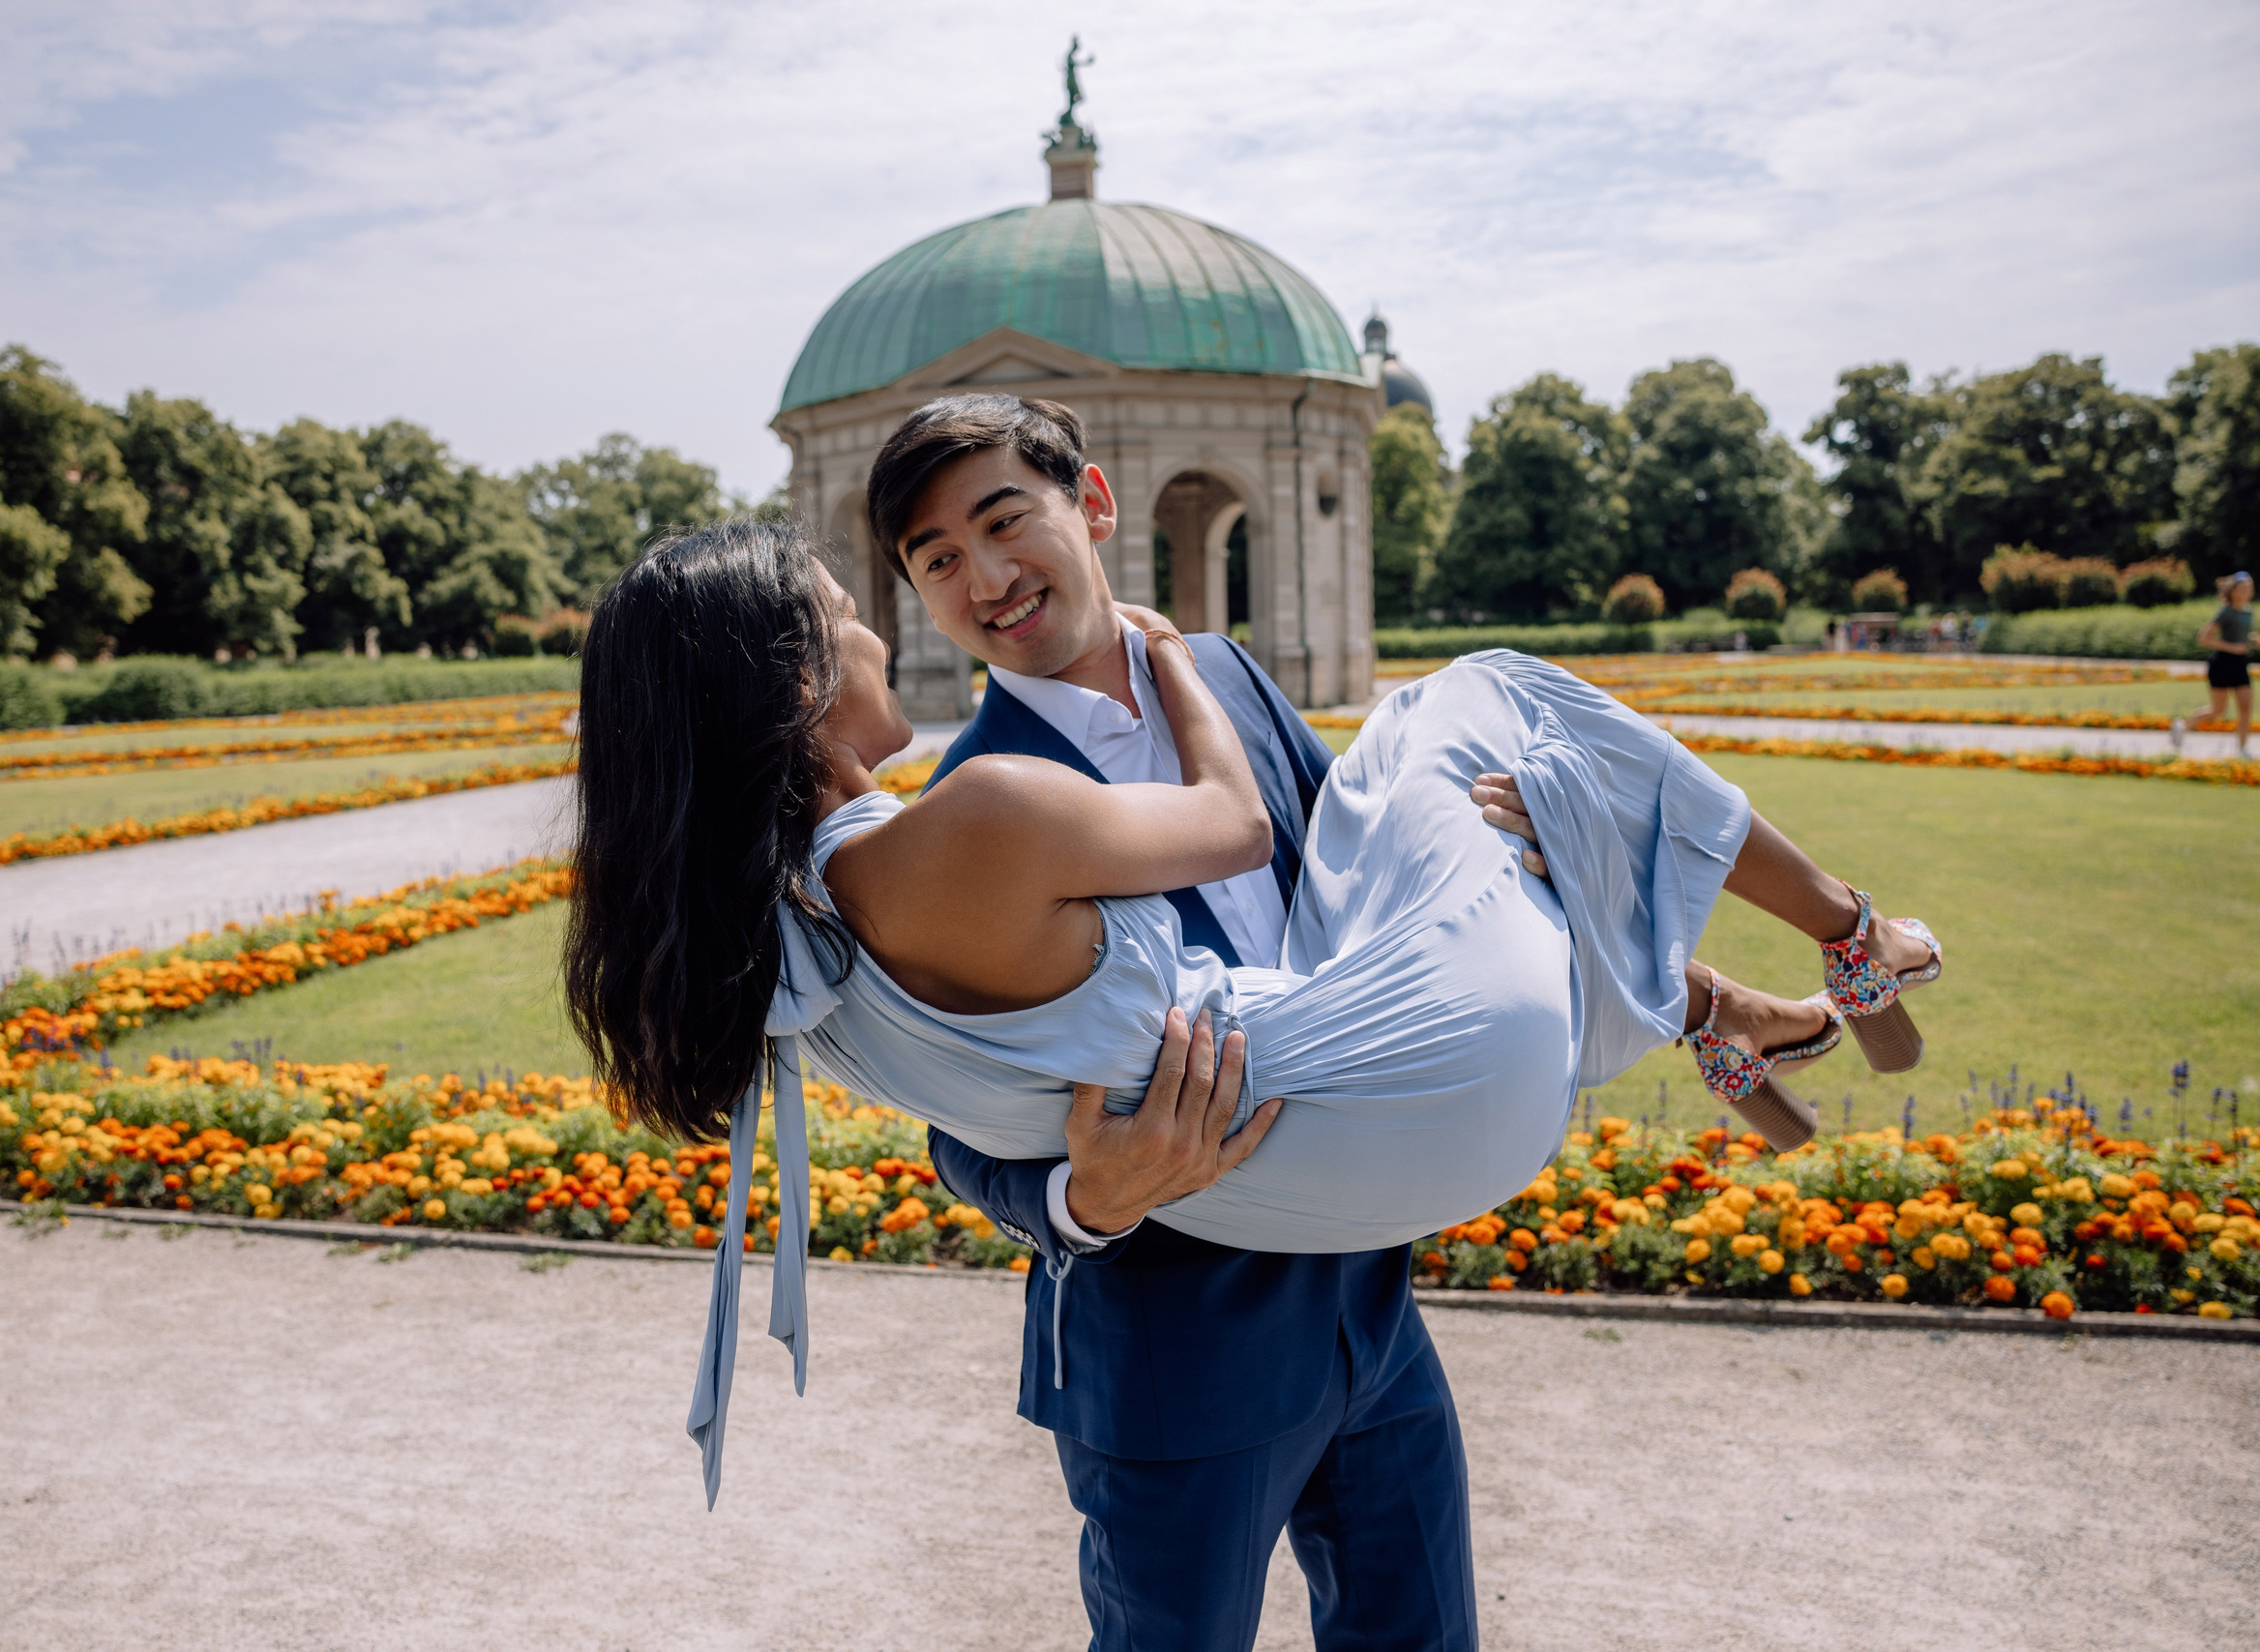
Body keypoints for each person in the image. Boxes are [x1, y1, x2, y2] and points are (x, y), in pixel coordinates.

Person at [560, 397, 1946, 1652]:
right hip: (1181, 1341)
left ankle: (1727, 999)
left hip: (1368, 1305)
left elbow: (1345, 869)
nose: (977, 582)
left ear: (1091, 506)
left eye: (1005, 524)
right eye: (928, 564)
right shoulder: (977, 798)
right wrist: (1080, 1201)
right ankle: (1797, 967)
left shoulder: (1222, 678)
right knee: (1493, 700)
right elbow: (972, 1123)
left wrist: (1493, 838)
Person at [2183, 572, 2254, 756]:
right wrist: (2232, 648)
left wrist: (2252, 639)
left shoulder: (2248, 611)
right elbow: (2204, 638)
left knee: (2246, 706)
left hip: (2240, 663)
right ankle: (2184, 726)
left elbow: (2239, 636)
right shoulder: (2226, 612)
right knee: (2218, 711)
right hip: (2222, 663)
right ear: (2232, 591)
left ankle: (2242, 748)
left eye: (2250, 587)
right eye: (2243, 588)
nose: (2247, 591)